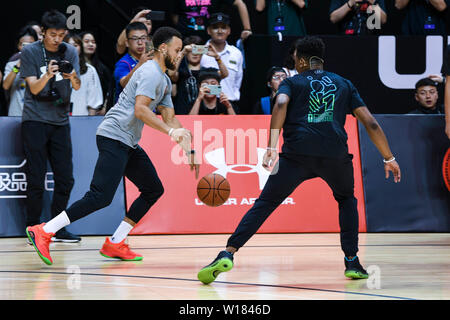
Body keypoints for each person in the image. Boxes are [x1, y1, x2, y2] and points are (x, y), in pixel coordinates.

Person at [197, 36, 401, 284]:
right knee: (346, 200)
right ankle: (352, 261)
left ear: (302, 60)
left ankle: (227, 252)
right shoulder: (344, 83)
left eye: (295, 60)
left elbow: (281, 102)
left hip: (296, 156)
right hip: (335, 156)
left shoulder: (293, 82)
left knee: (265, 203)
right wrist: (388, 157)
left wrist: (271, 146)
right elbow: (370, 122)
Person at [26, 27, 200, 266]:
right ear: (162, 48)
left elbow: (170, 117)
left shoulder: (164, 79)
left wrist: (188, 147)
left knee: (153, 189)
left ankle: (116, 242)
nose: (180, 55)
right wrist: (171, 132)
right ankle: (44, 230)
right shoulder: (150, 72)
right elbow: (141, 110)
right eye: (177, 50)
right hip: (114, 134)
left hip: (127, 140)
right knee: (99, 197)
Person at [20, 10, 82, 243]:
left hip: (60, 120)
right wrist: (48, 74)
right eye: (52, 34)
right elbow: (34, 89)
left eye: (61, 34)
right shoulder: (29, 52)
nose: (57, 39)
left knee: (66, 178)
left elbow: (77, 86)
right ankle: (33, 228)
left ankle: (56, 228)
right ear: (42, 33)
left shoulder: (71, 51)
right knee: (36, 177)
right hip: (34, 120)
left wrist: (72, 76)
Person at [171, 35, 229, 115]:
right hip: (182, 113)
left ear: (202, 52)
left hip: (202, 114)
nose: (195, 53)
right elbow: (171, 74)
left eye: (198, 50)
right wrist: (183, 52)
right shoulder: (181, 72)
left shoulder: (208, 72)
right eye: (192, 50)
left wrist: (217, 57)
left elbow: (225, 74)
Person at [200, 13, 243, 113]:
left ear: (229, 31)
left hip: (230, 103)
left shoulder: (236, 53)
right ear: (208, 30)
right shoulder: (200, 51)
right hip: (206, 105)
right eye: (215, 28)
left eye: (223, 28)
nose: (219, 31)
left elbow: (238, 81)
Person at [169, 0, 253, 41]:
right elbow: (174, 14)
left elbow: (239, 3)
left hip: (209, 42)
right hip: (186, 40)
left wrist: (247, 29)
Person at [113, 22, 153, 104]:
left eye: (143, 38)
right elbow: (124, 84)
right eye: (135, 39)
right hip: (126, 112)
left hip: (147, 110)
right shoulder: (123, 63)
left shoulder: (151, 60)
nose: (140, 42)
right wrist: (140, 64)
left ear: (148, 40)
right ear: (127, 43)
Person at [3, 26, 38, 116]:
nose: (27, 48)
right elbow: (6, 86)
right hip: (16, 113)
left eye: (31, 44)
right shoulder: (12, 64)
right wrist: (18, 65)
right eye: (24, 45)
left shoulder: (41, 64)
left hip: (35, 116)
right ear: (19, 46)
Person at [66, 33, 104, 116]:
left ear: (81, 48)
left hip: (82, 118)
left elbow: (94, 101)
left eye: (75, 45)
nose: (72, 49)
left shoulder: (89, 70)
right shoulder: (56, 70)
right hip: (59, 120)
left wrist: (89, 122)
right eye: (68, 46)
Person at [81, 31, 113, 112]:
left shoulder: (102, 68)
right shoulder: (73, 66)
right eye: (86, 41)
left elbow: (109, 89)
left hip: (97, 111)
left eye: (93, 42)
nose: (91, 44)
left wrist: (105, 108)